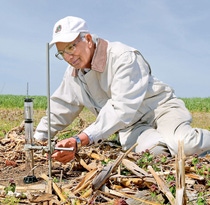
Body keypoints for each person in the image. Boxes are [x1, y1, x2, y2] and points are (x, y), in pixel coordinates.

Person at [34, 16, 210, 164]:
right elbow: (62, 106)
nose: (68, 56)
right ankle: (172, 150)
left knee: (185, 144)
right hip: (131, 127)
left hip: (160, 110)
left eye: (71, 47)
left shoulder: (123, 57)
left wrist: (80, 139)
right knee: (153, 154)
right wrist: (39, 138)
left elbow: (120, 109)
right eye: (62, 52)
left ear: (87, 39)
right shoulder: (74, 73)